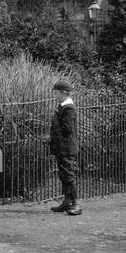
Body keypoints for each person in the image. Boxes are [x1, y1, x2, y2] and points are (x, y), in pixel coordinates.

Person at [47, 80, 81, 215]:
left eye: (56, 93)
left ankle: (75, 204)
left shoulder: (69, 108)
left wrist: (52, 136)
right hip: (62, 147)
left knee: (68, 176)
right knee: (63, 175)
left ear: (64, 93)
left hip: (66, 148)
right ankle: (67, 202)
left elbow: (67, 130)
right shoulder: (62, 106)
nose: (54, 96)